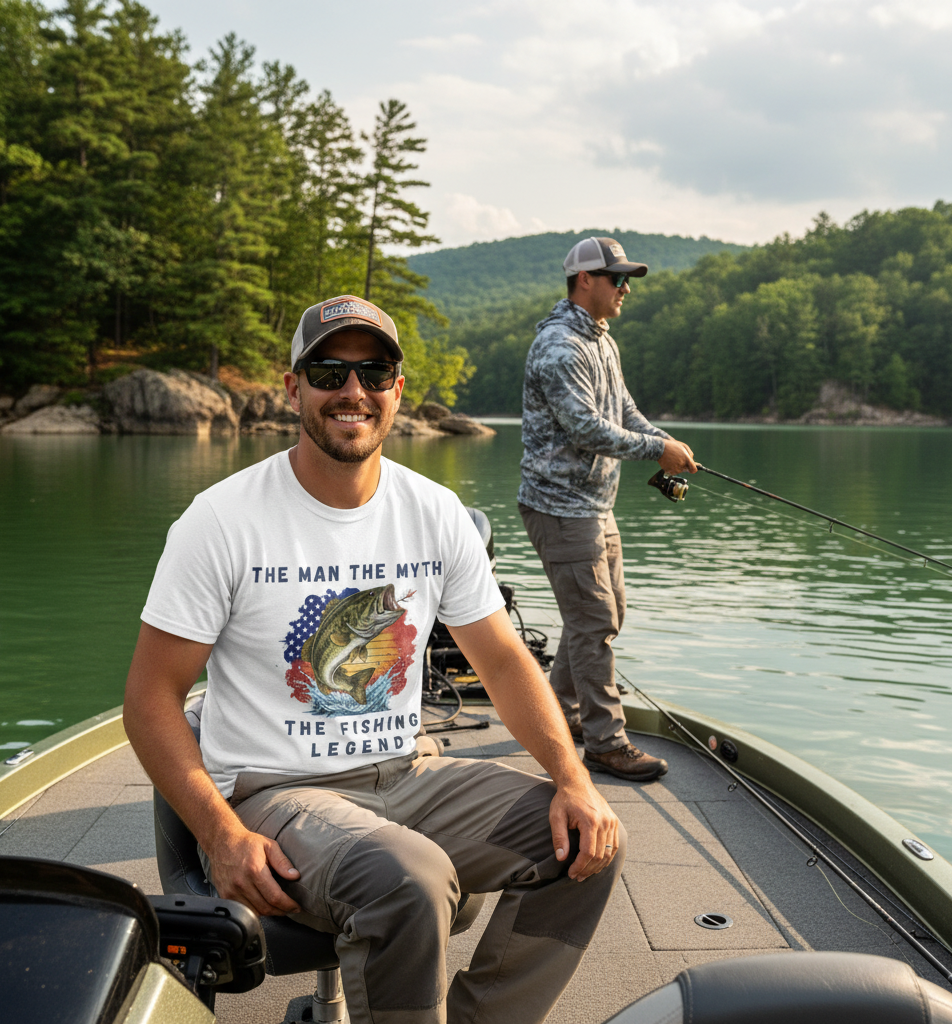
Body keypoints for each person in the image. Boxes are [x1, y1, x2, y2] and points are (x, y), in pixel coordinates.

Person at [123, 294, 626, 1024]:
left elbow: (506, 662)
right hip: (277, 793)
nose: (351, 391)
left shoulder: (435, 512)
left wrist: (573, 779)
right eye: (329, 371)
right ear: (293, 389)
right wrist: (220, 834)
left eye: (374, 371)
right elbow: (149, 700)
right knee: (410, 880)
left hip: (406, 772)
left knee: (589, 839)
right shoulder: (222, 521)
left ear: (396, 389)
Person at [518, 237, 698, 782]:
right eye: (616, 278)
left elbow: (624, 411)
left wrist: (667, 442)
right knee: (594, 622)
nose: (625, 288)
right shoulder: (559, 346)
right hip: (559, 506)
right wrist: (655, 450)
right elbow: (586, 428)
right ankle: (605, 742)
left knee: (606, 614)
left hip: (594, 504)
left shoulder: (602, 342)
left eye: (628, 280)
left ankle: (561, 713)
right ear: (584, 281)